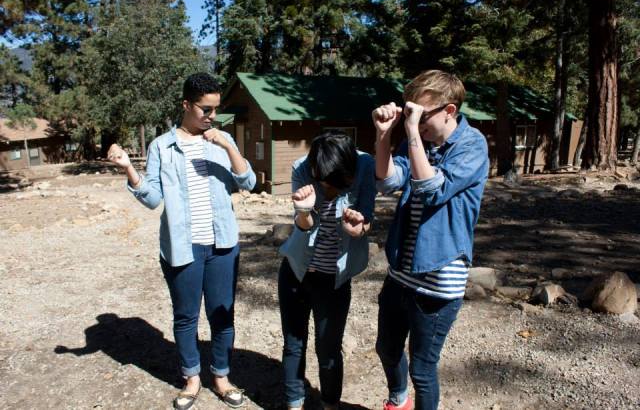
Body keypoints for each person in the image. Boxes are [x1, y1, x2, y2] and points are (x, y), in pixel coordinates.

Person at [107, 72, 256, 410]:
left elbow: (247, 182)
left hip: (222, 247)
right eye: (205, 109)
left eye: (216, 109)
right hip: (182, 246)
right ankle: (192, 378)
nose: (212, 117)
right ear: (186, 105)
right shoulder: (162, 145)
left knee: (223, 317)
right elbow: (152, 198)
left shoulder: (222, 140)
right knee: (186, 317)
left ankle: (221, 376)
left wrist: (228, 145)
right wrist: (129, 169)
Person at [372, 70, 489, 410]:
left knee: (422, 368)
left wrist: (409, 132)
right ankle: (398, 400)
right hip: (401, 273)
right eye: (411, 112)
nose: (414, 119)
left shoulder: (472, 145)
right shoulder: (420, 142)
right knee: (387, 348)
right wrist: (383, 136)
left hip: (439, 276)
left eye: (421, 114)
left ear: (449, 111)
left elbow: (432, 188)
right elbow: (388, 181)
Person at [278, 131, 377, 410]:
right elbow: (304, 226)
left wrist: (360, 227)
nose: (329, 190)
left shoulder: (365, 165)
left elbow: (367, 215)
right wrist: (304, 211)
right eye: (322, 183)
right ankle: (294, 403)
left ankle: (330, 404)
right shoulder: (301, 167)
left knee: (329, 349)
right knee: (293, 343)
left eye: (337, 184)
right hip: (297, 270)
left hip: (334, 279)